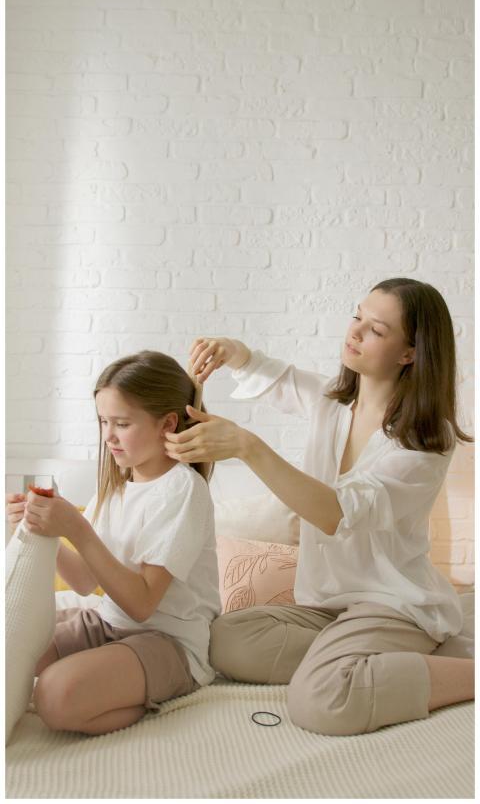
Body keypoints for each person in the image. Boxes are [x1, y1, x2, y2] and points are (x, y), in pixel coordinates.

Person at [164, 277, 475, 736]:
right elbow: (277, 377)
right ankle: (356, 654)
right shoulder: (332, 402)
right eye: (357, 317)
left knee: (321, 702)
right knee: (223, 640)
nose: (355, 332)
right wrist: (233, 351)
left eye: (376, 330)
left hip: (392, 604)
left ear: (410, 353)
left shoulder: (426, 441)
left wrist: (247, 446)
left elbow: (336, 513)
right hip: (326, 607)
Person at [6, 351, 221, 736]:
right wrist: (44, 529)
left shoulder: (183, 490)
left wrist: (76, 528)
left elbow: (142, 604)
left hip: (168, 642)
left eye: (121, 423)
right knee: (14, 652)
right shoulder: (116, 487)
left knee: (54, 696)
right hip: (107, 624)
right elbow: (84, 582)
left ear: (167, 424)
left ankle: (148, 698)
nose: (108, 436)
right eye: (103, 421)